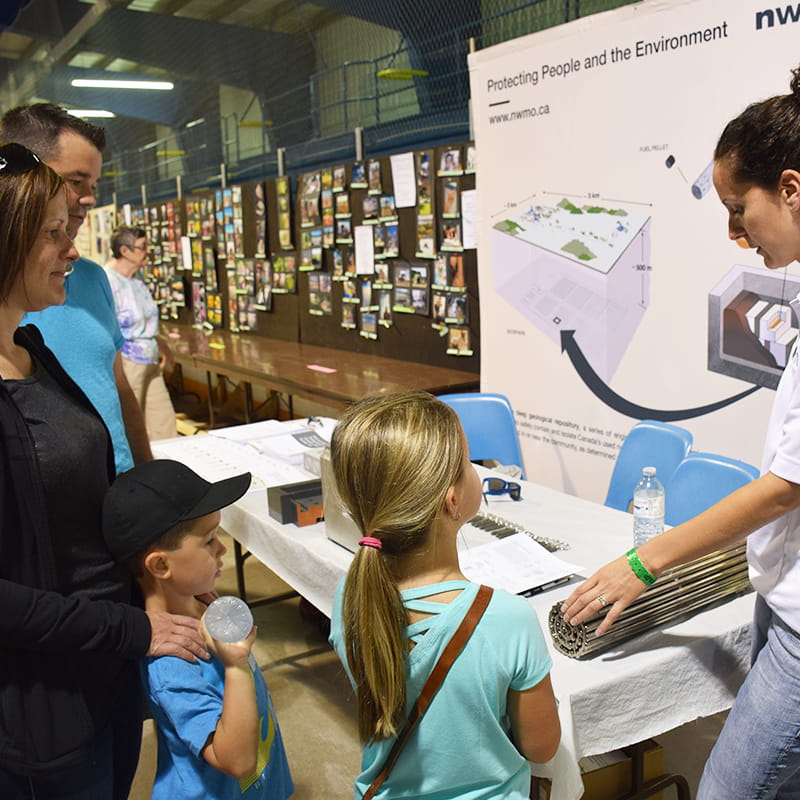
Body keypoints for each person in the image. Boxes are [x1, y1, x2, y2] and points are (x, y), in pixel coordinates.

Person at [561, 64, 800, 799]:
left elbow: (784, 487)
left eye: (739, 207)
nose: (735, 233)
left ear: (791, 189)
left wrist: (643, 565)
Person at [0, 143, 208, 800]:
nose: (72, 249)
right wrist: (130, 627)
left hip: (108, 665)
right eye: (53, 235)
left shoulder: (30, 348)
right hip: (46, 701)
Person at [328, 392, 560, 799]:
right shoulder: (506, 618)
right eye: (468, 463)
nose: (475, 471)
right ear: (452, 501)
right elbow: (541, 747)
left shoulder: (350, 596)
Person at [102, 459, 294, 800]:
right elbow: (236, 761)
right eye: (208, 540)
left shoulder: (204, 605)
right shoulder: (173, 665)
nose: (222, 548)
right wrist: (235, 667)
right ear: (161, 565)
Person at [0, 102, 152, 474]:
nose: (89, 198)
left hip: (116, 496)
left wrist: (148, 476)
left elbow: (116, 385)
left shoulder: (90, 278)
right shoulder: (22, 298)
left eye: (94, 184)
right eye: (74, 181)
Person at [105, 226, 177, 442]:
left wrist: (166, 351)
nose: (148, 251)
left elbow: (148, 325)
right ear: (125, 251)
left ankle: (170, 470)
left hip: (150, 360)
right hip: (128, 363)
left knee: (164, 422)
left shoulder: (137, 282)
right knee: (133, 427)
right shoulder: (107, 281)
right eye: (143, 247)